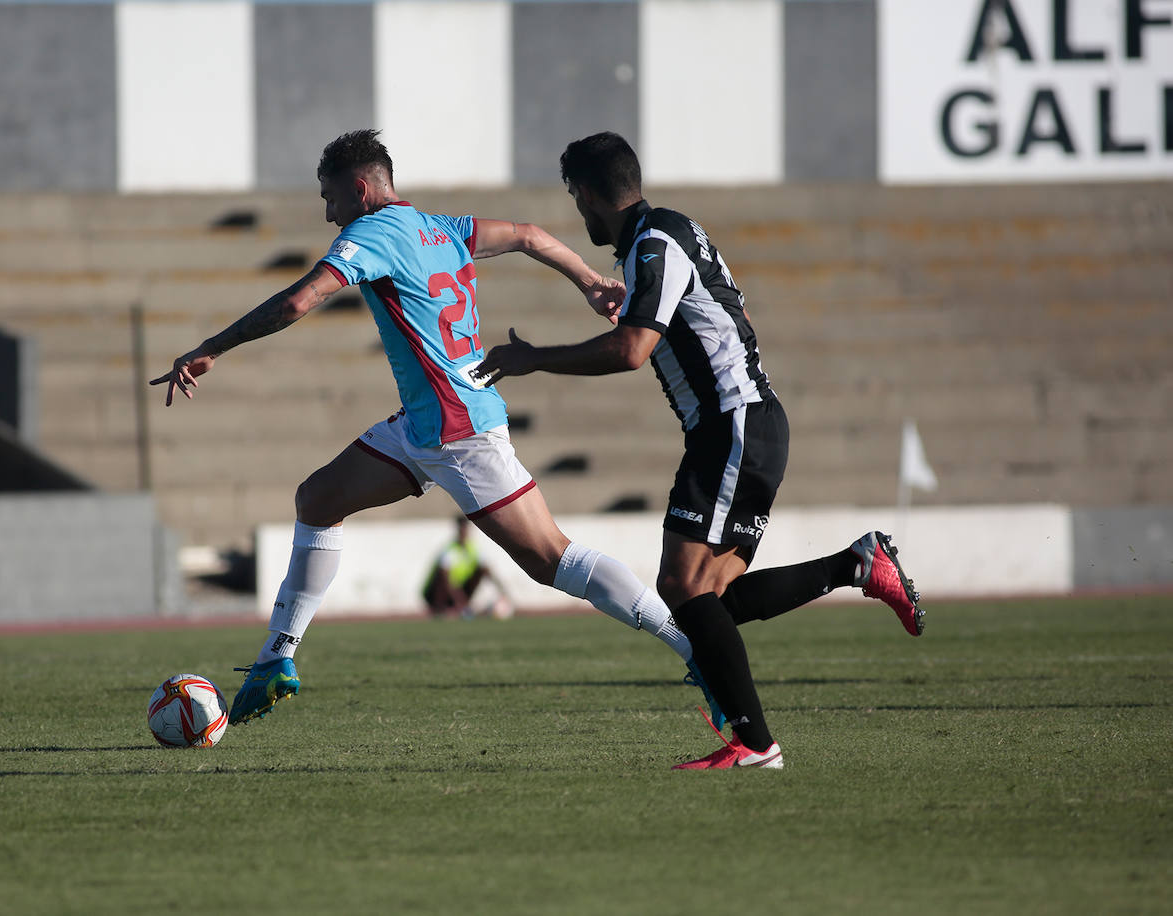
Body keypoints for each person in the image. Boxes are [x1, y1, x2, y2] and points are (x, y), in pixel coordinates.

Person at [152, 129, 706, 726]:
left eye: (330, 196)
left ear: (360, 189)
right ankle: (276, 658)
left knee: (552, 560)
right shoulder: (441, 227)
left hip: (459, 429)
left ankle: (695, 647)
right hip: (424, 427)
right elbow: (529, 236)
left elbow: (295, 303)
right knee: (317, 499)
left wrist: (213, 346)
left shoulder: (366, 234)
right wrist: (589, 281)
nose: (327, 211)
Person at [474, 132, 924, 770]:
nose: (579, 214)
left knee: (681, 588)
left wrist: (532, 360)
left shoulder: (654, 243)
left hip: (732, 425)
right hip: (747, 425)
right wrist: (624, 302)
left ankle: (756, 743)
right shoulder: (662, 234)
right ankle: (856, 565)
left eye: (577, 199)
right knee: (707, 601)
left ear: (593, 194)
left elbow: (633, 351)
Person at [422, 517, 513, 619]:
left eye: (466, 530)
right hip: (436, 593)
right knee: (443, 575)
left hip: (460, 590)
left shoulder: (473, 549)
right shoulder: (450, 550)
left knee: (481, 570)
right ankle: (441, 608)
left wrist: (503, 592)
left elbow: (487, 571)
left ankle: (463, 608)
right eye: (462, 530)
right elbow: (447, 579)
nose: (464, 533)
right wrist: (461, 603)